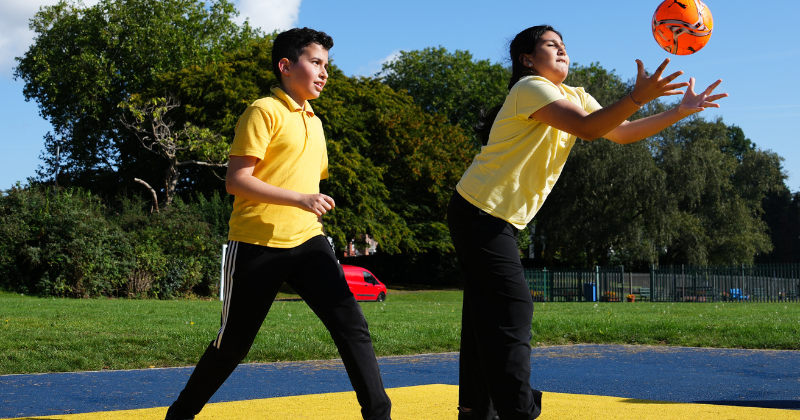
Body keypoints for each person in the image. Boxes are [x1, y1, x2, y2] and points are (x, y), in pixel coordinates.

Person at [447, 25, 727, 420]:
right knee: (514, 309)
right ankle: (518, 411)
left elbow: (623, 133)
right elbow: (587, 129)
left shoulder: (575, 95)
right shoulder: (530, 87)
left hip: (493, 217)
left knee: (483, 316)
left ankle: (476, 410)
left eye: (564, 45)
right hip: (478, 212)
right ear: (527, 59)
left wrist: (678, 111)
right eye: (551, 45)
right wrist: (636, 96)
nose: (562, 51)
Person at [164, 28, 392, 420]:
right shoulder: (262, 111)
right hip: (257, 244)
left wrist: (307, 202)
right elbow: (236, 180)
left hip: (308, 242)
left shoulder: (315, 121)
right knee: (233, 344)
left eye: (327, 65)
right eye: (316, 63)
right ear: (286, 66)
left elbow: (306, 178)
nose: (324, 73)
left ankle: (378, 416)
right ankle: (180, 415)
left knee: (352, 326)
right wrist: (301, 199)